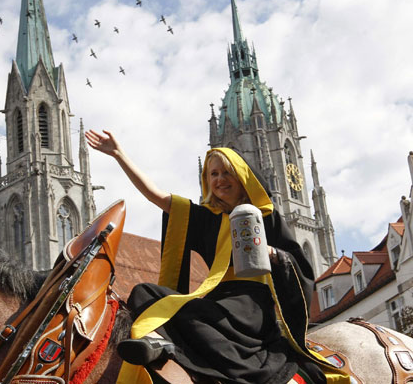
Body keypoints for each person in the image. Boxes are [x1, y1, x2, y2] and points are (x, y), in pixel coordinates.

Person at [85, 130, 342, 384]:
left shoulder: (265, 215)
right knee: (145, 293)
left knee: (193, 317)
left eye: (226, 172)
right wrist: (119, 155)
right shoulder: (207, 218)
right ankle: (156, 343)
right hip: (219, 300)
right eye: (214, 174)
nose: (220, 179)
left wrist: (272, 253)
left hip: (251, 306)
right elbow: (158, 197)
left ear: (242, 177)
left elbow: (300, 268)